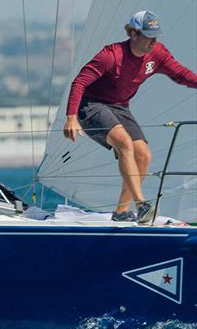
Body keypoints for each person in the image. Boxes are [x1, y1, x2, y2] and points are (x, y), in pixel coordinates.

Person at [64, 11, 197, 222]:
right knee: (124, 143)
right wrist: (71, 117)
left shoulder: (158, 54)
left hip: (119, 107)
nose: (153, 41)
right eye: (148, 36)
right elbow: (79, 82)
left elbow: (180, 74)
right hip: (91, 106)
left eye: (156, 36)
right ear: (133, 34)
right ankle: (142, 205)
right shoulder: (112, 55)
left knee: (143, 155)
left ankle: (120, 212)